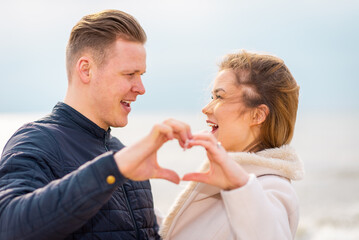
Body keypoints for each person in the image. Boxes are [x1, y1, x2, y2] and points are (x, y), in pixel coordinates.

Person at [0, 9, 193, 240]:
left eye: (141, 74)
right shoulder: (37, 140)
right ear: (86, 69)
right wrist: (114, 169)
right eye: (130, 74)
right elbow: (8, 226)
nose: (141, 88)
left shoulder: (122, 152)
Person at [159, 50, 305, 239]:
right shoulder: (226, 178)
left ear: (257, 115)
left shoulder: (273, 188)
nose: (205, 109)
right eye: (212, 97)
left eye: (220, 97)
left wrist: (239, 185)